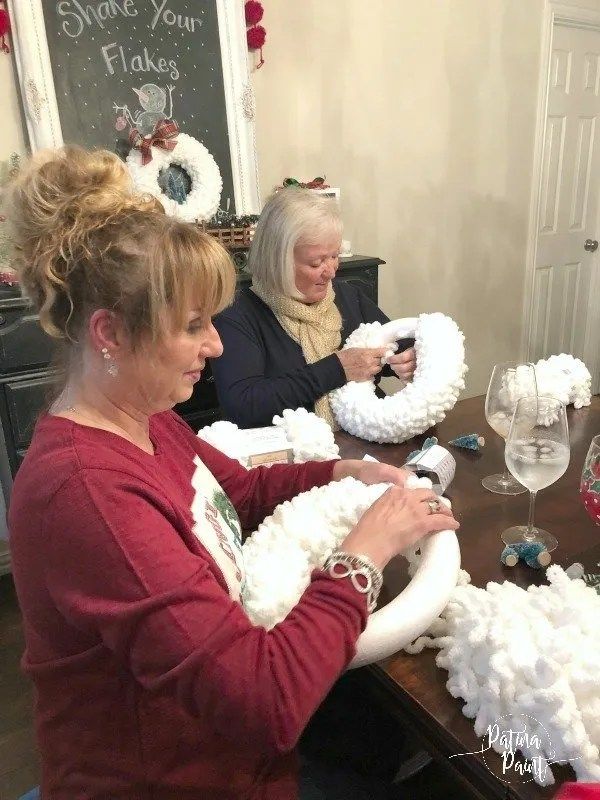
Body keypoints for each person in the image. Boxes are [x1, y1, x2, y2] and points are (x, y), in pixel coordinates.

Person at [7, 146, 458, 800]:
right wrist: (365, 553)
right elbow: (266, 698)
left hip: (232, 755)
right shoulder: (86, 492)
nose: (216, 345)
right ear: (109, 334)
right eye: (194, 326)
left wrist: (346, 471)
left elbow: (237, 492)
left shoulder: (144, 418)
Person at [211, 188, 417, 429]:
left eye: (335, 256)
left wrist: (409, 360)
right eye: (316, 262)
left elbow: (400, 346)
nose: (331, 271)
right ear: (277, 261)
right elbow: (243, 406)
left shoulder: (349, 297)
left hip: (367, 437)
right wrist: (337, 369)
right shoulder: (237, 315)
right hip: (294, 453)